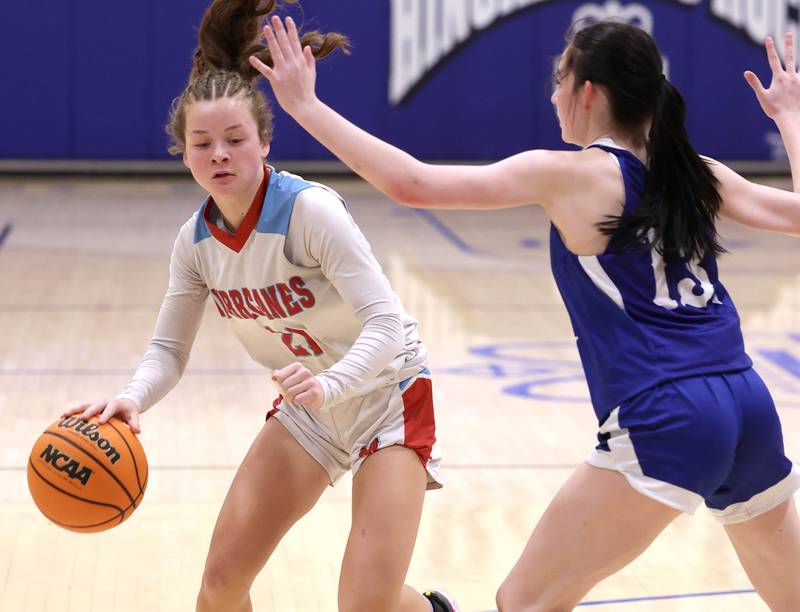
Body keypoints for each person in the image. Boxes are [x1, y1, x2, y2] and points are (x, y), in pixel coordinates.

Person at [250, 16, 800, 611]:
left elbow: (412, 182)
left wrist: (304, 106)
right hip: (747, 403)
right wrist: (789, 118)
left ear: (589, 91)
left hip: (668, 412)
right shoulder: (698, 171)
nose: (553, 93)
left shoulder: (574, 175)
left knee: (525, 601)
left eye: (560, 79)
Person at [63, 1, 460, 611]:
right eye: (203, 143)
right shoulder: (195, 243)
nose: (219, 154)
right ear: (184, 153)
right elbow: (169, 349)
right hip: (311, 409)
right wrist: (133, 397)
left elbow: (386, 323)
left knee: (365, 606)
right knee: (221, 582)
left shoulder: (310, 211)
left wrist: (331, 387)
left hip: (386, 394)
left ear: (263, 142)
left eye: (234, 139)